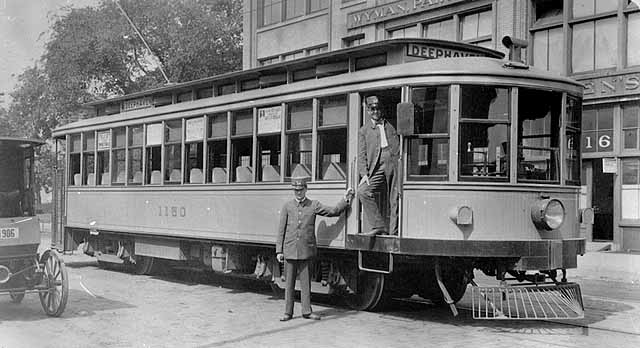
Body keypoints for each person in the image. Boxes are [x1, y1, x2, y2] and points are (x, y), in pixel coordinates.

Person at [275, 177, 354, 321]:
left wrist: (345, 199)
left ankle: (307, 311)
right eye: (296, 190)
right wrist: (279, 250)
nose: (298, 192)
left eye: (301, 190)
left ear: (306, 189)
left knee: (306, 284)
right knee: (289, 283)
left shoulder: (314, 205)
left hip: (306, 250)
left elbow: (333, 211)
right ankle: (288, 312)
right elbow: (281, 230)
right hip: (290, 250)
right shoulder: (287, 206)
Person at [357, 95, 400, 236]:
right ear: (368, 111)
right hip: (376, 166)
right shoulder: (363, 130)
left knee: (395, 198)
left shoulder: (391, 125)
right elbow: (361, 154)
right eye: (373, 109)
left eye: (378, 108)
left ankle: (393, 233)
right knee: (363, 191)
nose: (376, 111)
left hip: (393, 162)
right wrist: (364, 174)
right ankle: (378, 225)